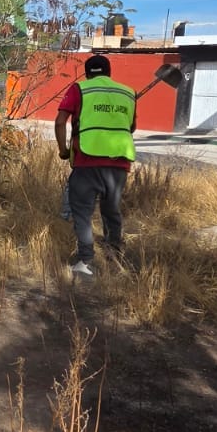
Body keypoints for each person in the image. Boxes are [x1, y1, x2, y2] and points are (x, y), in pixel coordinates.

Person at [54, 52, 136, 278]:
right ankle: (114, 257)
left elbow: (61, 121)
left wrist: (63, 150)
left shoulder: (80, 89)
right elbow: (131, 126)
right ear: (109, 73)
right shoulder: (128, 92)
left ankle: (86, 262)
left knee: (82, 213)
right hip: (119, 163)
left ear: (87, 73)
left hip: (87, 161)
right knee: (112, 211)